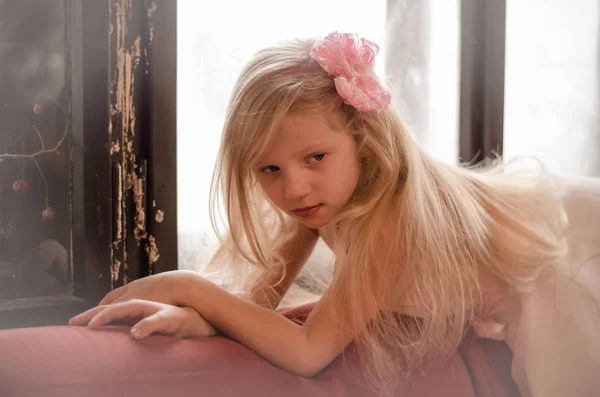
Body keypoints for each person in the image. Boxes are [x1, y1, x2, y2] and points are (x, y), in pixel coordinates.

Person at [70, 31, 600, 396]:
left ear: (363, 141)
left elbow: (307, 352)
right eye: (268, 170)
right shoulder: (319, 199)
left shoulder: (392, 218)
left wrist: (189, 286)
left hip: (571, 252)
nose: (294, 187)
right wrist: (198, 323)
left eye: (315, 158)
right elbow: (257, 299)